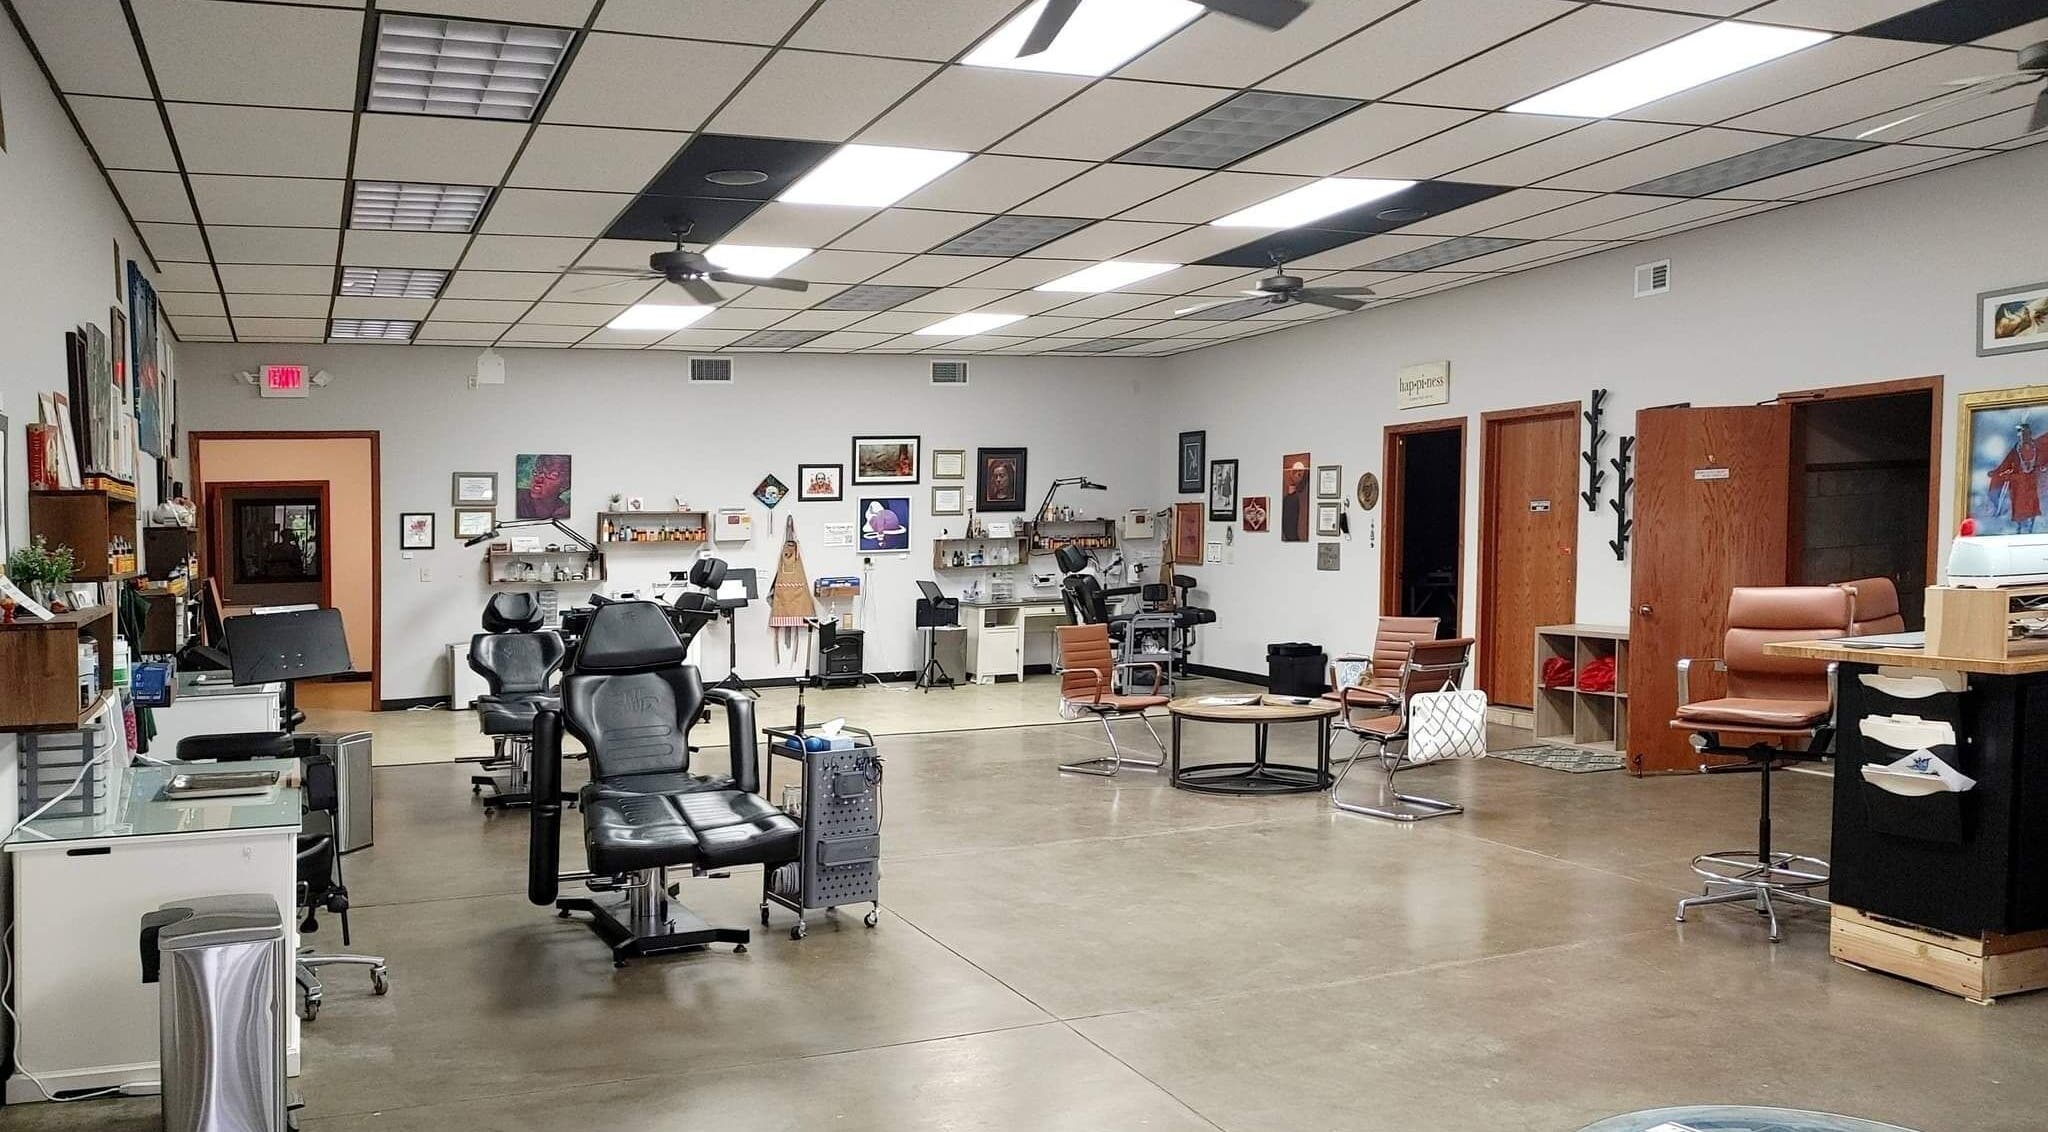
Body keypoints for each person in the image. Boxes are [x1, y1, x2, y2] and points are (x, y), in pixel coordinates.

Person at [1986, 419, 2045, 533]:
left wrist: (2041, 468)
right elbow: (2006, 463)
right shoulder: (2016, 449)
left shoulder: (2036, 447)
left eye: (2025, 433)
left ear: (2029, 433)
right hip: (2018, 483)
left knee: (2031, 505)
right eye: (2021, 434)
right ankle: (2018, 529)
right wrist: (1996, 472)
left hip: (2030, 481)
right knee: (2018, 506)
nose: (2023, 436)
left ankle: (2030, 528)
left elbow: (2041, 462)